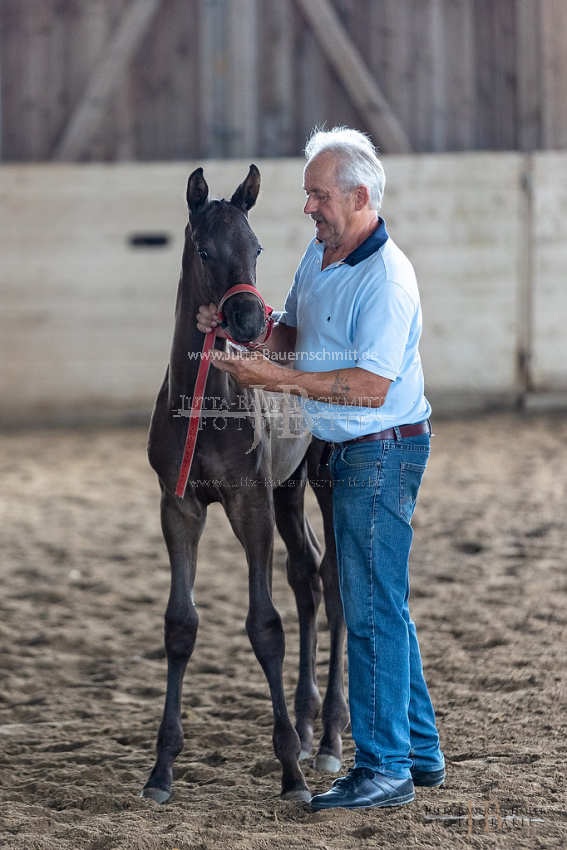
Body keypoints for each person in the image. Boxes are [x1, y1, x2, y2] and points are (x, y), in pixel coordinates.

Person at [197, 126, 445, 811]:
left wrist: (272, 380)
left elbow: (367, 387)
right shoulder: (323, 253)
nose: (307, 206)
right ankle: (418, 752)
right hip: (347, 449)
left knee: (364, 615)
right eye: (308, 193)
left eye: (317, 194)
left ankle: (384, 769)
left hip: (379, 448)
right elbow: (298, 335)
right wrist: (245, 328)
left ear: (359, 196)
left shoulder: (386, 279)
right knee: (381, 604)